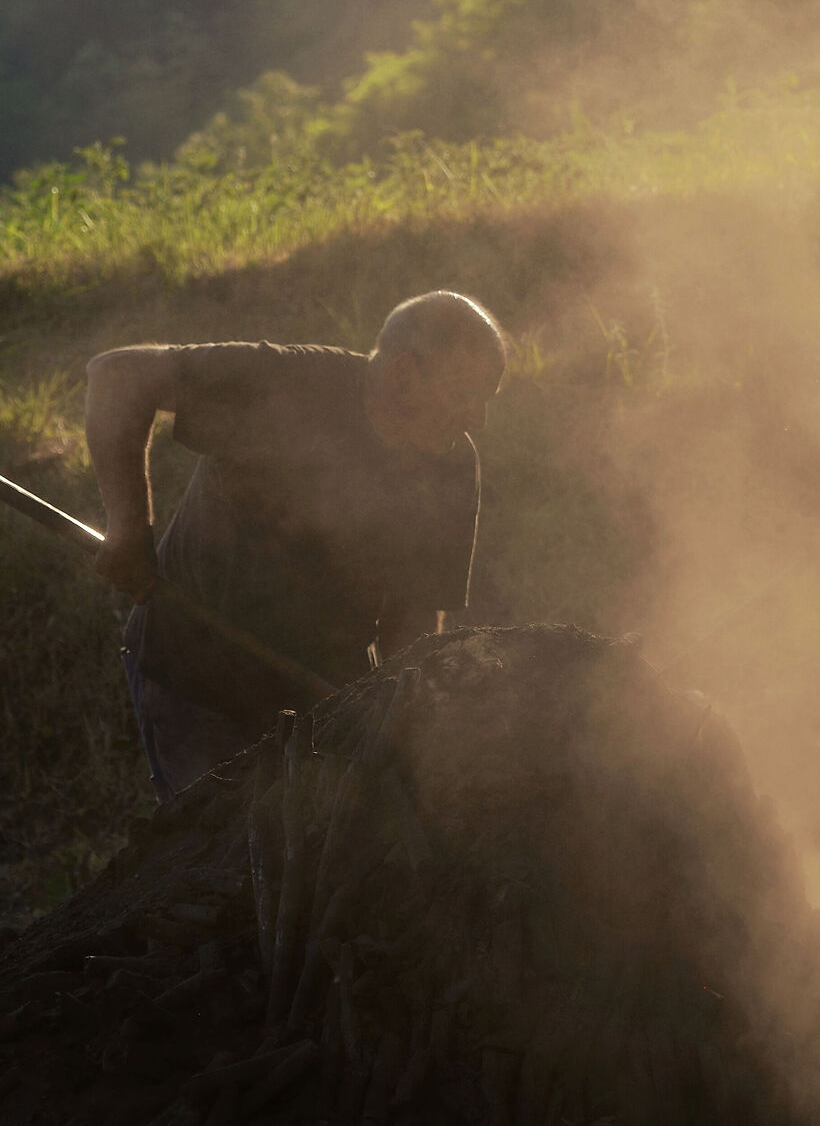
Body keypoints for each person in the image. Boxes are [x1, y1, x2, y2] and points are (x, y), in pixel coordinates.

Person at [85, 292, 507, 803]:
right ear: (401, 375)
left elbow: (416, 608)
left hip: (322, 687)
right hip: (197, 679)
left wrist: (402, 715)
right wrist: (128, 525)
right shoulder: (288, 385)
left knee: (334, 850)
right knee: (227, 860)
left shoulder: (451, 464)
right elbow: (119, 376)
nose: (478, 419)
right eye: (466, 394)